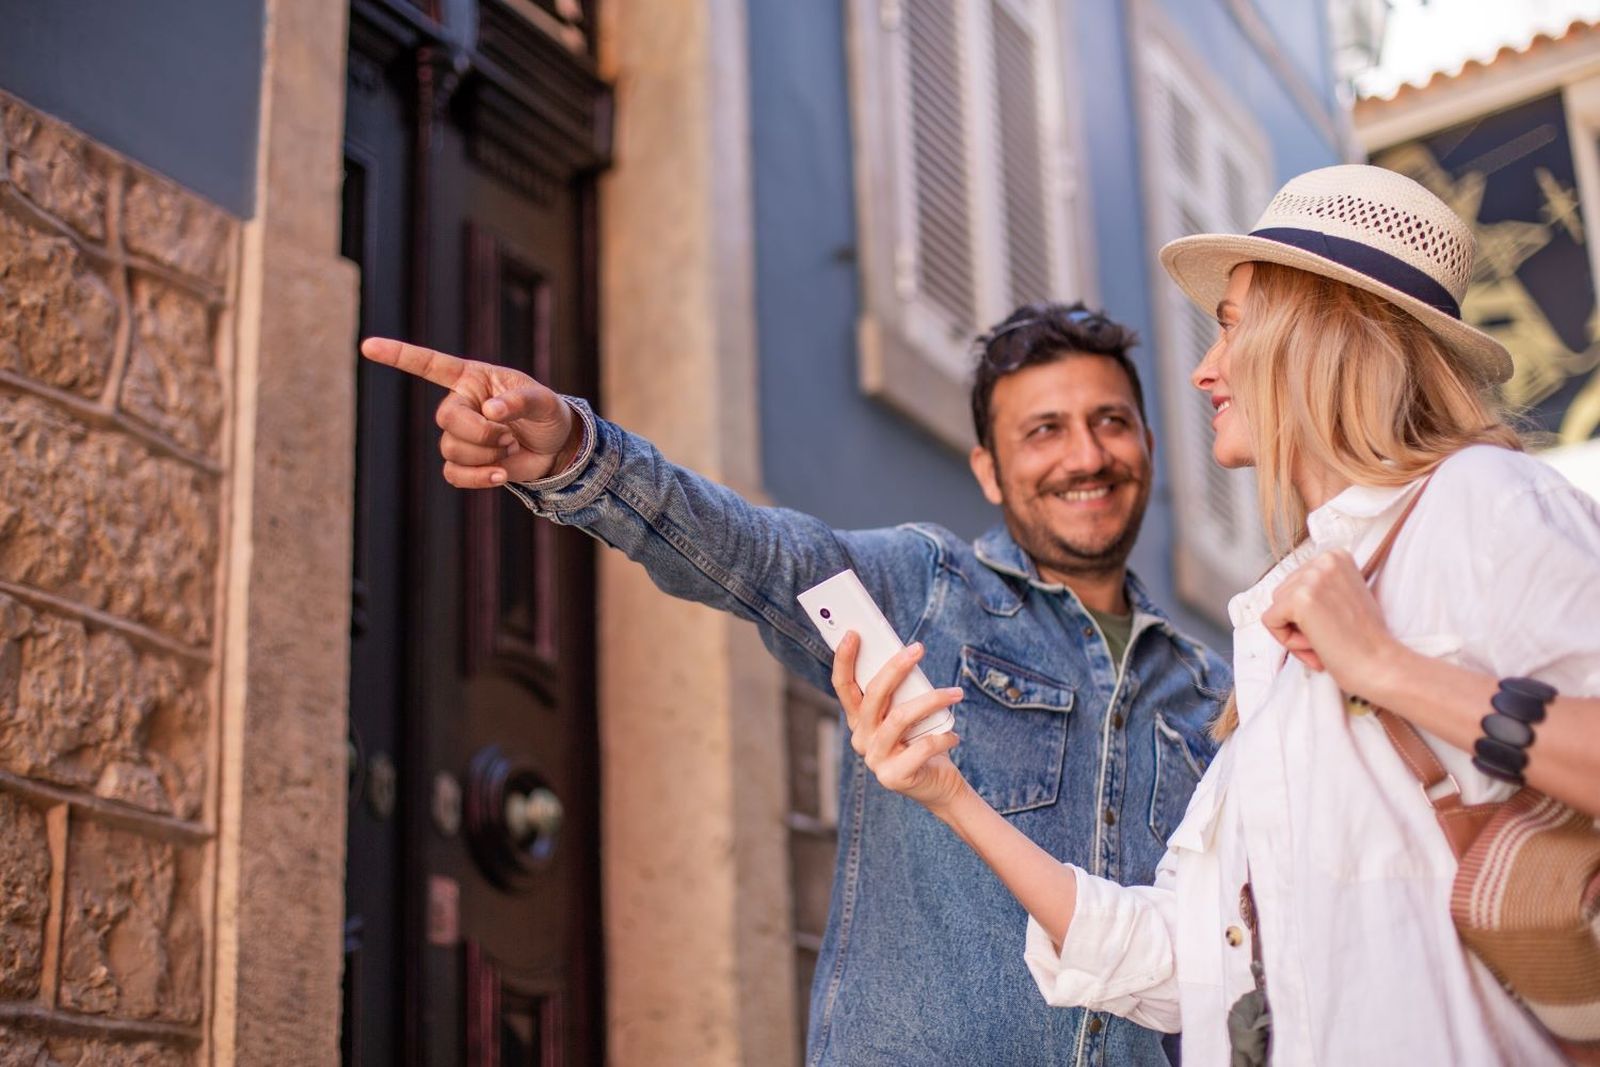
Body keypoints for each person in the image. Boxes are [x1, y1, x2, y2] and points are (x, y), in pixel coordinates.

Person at [838, 164, 1600, 1064]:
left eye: (1232, 327)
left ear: (1318, 335)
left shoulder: (1480, 500)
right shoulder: (1279, 634)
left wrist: (1388, 670)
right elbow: (1179, 958)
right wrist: (948, 797)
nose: (1203, 371)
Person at [361, 302, 1229, 1066]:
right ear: (988, 471)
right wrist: (579, 457)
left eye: (1110, 421)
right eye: (1044, 429)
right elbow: (752, 552)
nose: (1086, 454)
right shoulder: (924, 591)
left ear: (1148, 445)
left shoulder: (1214, 695)